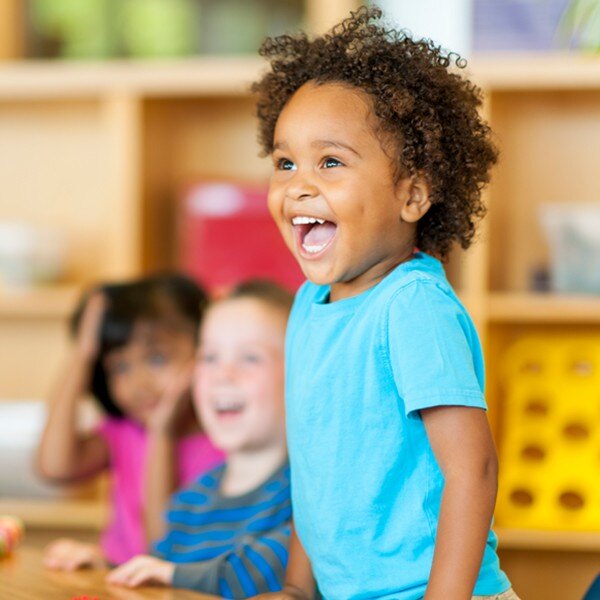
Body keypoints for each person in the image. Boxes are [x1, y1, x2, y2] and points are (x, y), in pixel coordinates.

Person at [250, 7, 520, 600]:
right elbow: (316, 473)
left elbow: (471, 473)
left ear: (413, 193)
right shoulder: (308, 304)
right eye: (285, 162)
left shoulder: (411, 306)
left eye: (330, 162)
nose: (298, 183)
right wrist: (297, 591)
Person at [106, 280, 293, 598]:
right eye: (209, 358)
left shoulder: (307, 493)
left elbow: (267, 569)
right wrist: (101, 566)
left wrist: (171, 574)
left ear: (302, 374)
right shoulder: (189, 500)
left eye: (249, 358)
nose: (223, 373)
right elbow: (151, 568)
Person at [37, 273, 224, 569]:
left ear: (207, 349)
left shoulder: (227, 443)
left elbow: (162, 550)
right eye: (119, 366)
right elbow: (54, 466)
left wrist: (163, 433)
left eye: (157, 359)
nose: (138, 384)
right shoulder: (122, 434)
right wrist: (82, 355)